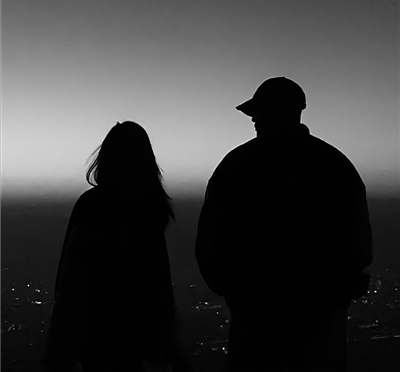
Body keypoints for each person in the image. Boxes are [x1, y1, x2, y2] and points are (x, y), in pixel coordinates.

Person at [195, 77, 373, 372]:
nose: (253, 119)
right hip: (320, 325)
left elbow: (210, 242)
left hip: (256, 323)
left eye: (258, 112)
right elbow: (359, 247)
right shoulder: (335, 166)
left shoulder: (237, 167)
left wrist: (237, 291)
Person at [42, 121, 188, 372]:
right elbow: (159, 283)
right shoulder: (149, 209)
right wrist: (171, 349)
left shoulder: (93, 206)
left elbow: (71, 280)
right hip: (139, 340)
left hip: (98, 340)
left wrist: (58, 350)